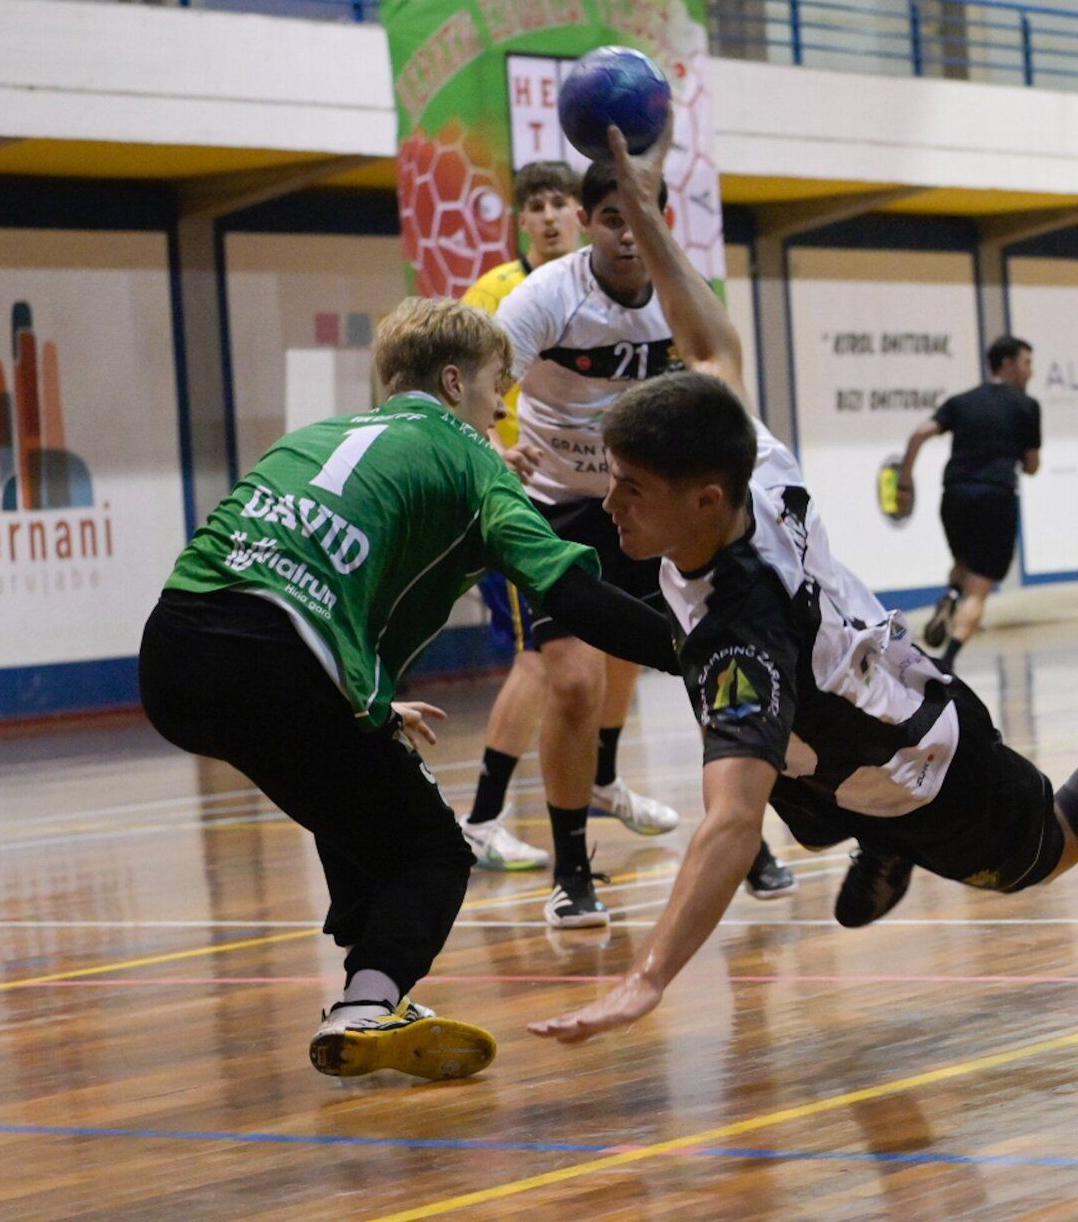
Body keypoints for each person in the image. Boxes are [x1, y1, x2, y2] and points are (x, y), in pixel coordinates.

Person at [523, 127, 1078, 1045]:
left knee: (1047, 851)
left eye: (632, 491)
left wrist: (646, 980)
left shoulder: (737, 638)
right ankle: (875, 837)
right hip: (836, 714)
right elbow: (712, 347)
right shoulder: (750, 463)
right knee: (807, 813)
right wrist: (646, 216)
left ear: (703, 499)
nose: (612, 507)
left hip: (916, 756)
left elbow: (727, 824)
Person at [138, 297, 679, 1079]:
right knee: (432, 851)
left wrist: (368, 694)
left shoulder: (315, 436)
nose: (503, 406)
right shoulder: (471, 458)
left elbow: (264, 573)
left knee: (356, 780)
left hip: (172, 652)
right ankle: (366, 1003)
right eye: (499, 384)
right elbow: (568, 591)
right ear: (455, 381)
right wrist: (692, 650)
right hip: (276, 653)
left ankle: (374, 983)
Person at [496, 157, 794, 926]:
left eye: (642, 215)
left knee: (714, 666)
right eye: (611, 219)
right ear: (590, 226)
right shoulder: (547, 295)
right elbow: (475, 380)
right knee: (569, 683)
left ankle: (743, 833)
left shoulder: (680, 292)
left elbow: (723, 387)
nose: (628, 235)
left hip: (653, 505)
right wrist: (490, 445)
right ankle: (571, 868)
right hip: (562, 506)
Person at [456, 160, 584, 872]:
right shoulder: (497, 293)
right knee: (538, 659)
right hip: (518, 505)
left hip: (591, 500)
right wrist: (486, 450)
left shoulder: (601, 289)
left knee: (594, 656)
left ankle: (601, 777)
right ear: (521, 220)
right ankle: (483, 816)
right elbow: (460, 387)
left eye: (559, 202)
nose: (548, 216)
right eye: (534, 205)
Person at [895, 337, 1040, 669]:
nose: (1031, 371)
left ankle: (950, 596)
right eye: (1027, 363)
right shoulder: (1027, 406)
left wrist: (905, 480)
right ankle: (948, 659)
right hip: (997, 497)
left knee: (963, 564)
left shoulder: (961, 402)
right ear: (1007, 363)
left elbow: (919, 433)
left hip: (955, 495)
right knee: (980, 589)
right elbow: (1031, 466)